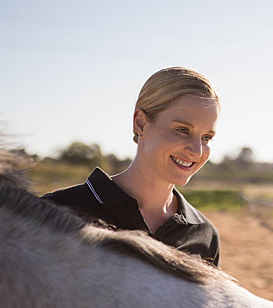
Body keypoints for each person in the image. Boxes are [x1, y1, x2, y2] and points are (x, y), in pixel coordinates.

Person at [44, 67, 221, 266]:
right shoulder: (56, 211)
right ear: (140, 123)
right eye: (182, 130)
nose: (197, 152)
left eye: (207, 137)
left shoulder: (204, 235)